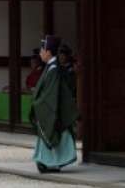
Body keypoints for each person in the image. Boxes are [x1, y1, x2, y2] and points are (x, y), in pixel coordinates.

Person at [30, 35, 79, 173]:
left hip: (54, 110)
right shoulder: (51, 67)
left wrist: (39, 102)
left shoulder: (54, 69)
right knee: (51, 135)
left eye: (42, 50)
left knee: (55, 135)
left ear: (48, 52)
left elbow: (50, 94)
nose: (40, 53)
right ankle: (46, 161)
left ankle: (52, 162)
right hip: (50, 109)